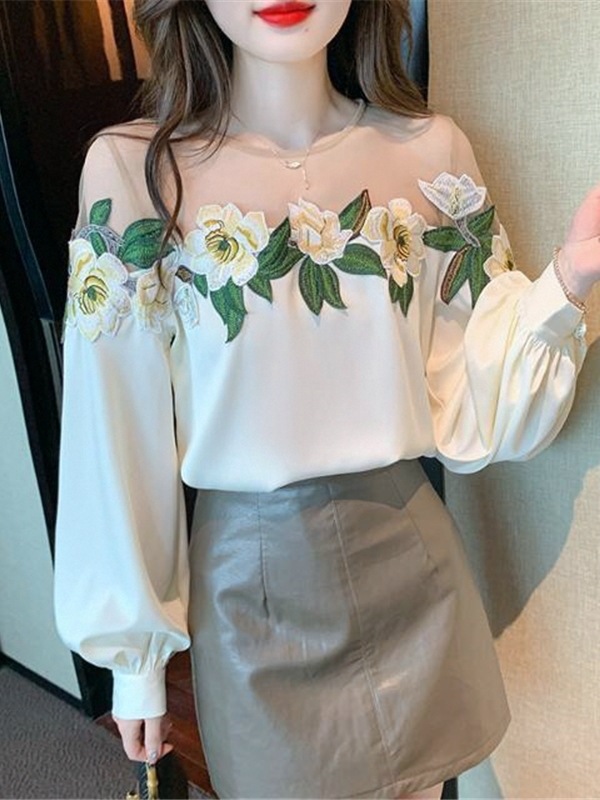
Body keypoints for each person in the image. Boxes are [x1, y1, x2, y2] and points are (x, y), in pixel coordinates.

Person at [52, 0, 600, 797]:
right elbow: (114, 428)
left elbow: (474, 397)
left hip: (414, 567)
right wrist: (135, 662)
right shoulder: (135, 173)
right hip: (251, 595)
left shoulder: (431, 152)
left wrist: (567, 284)